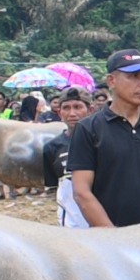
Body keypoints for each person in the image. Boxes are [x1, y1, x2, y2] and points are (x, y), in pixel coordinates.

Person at [68, 50, 140, 228]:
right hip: (111, 242)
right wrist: (115, 238)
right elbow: (82, 192)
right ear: (111, 81)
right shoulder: (88, 129)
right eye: (133, 76)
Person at [43, 88, 92, 228]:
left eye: (78, 107)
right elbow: (55, 184)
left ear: (90, 109)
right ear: (59, 112)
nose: (72, 114)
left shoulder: (102, 143)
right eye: (66, 108)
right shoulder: (52, 147)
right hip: (71, 220)